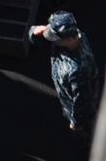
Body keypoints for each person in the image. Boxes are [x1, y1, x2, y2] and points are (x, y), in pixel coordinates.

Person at [29, 10, 100, 144]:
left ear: (69, 39)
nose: (51, 38)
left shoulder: (77, 70)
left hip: (72, 102)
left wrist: (77, 122)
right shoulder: (74, 36)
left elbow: (82, 100)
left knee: (83, 135)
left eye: (55, 38)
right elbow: (42, 40)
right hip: (67, 93)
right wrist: (35, 32)